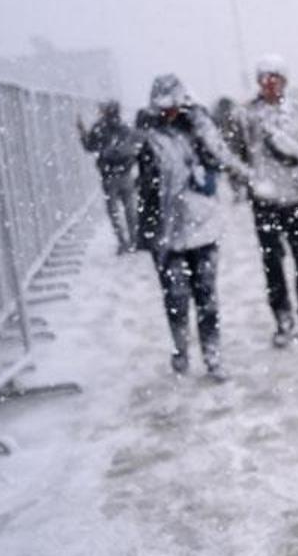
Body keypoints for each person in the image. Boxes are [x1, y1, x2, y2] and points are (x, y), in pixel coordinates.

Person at [136, 74, 251, 382]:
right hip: (167, 232)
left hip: (203, 228)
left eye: (174, 105)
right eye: (164, 107)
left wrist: (200, 123)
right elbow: (147, 187)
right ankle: (181, 350)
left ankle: (213, 356)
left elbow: (222, 157)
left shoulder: (198, 131)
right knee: (175, 298)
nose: (169, 112)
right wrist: (151, 233)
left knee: (206, 298)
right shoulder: (147, 136)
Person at [227, 55, 298, 347]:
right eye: (264, 78)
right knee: (272, 262)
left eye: (275, 77)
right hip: (265, 202)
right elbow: (232, 154)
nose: (269, 84)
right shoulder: (245, 116)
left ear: (284, 80)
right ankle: (282, 319)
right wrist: (250, 178)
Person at [77, 100, 140, 254]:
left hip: (109, 176)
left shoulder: (100, 128)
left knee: (113, 211)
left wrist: (82, 131)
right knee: (130, 209)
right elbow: (135, 148)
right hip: (125, 174)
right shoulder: (125, 128)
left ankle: (122, 242)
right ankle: (134, 240)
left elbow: (89, 146)